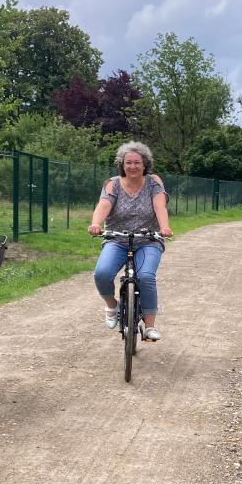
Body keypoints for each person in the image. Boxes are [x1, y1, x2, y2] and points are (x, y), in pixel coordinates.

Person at [87, 141, 173, 341]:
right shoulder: (113, 183)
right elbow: (104, 204)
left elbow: (160, 206)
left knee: (146, 276)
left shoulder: (153, 182)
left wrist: (164, 227)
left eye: (137, 162)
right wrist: (96, 223)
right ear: (122, 164)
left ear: (145, 164)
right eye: (128, 163)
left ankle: (150, 327)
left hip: (148, 239)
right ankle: (112, 306)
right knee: (102, 273)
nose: (133, 166)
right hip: (117, 238)